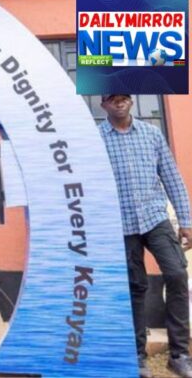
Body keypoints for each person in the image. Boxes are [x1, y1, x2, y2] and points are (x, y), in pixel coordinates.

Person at [99, 94, 192, 378]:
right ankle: (137, 356)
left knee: (177, 274)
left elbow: (172, 177)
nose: (119, 103)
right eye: (112, 99)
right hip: (120, 224)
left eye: (124, 98)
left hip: (155, 218)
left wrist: (185, 220)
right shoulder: (97, 139)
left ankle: (179, 354)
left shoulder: (152, 134)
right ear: (104, 105)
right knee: (134, 287)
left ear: (131, 101)